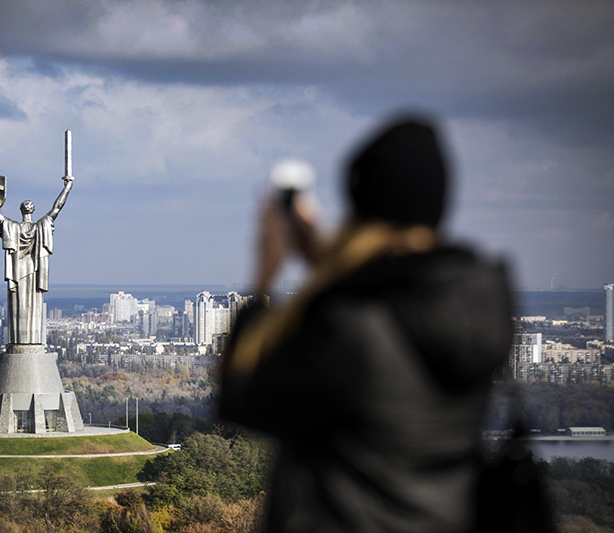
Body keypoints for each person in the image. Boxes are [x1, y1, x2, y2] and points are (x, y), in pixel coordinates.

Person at [220, 117, 513, 532]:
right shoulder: (481, 305)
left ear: (360, 203)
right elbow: (402, 294)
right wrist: (325, 263)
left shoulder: (353, 327)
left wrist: (265, 274)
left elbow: (242, 397)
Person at [0, 176, 73, 345]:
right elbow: (57, 208)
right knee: (33, 306)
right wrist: (67, 187)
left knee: (18, 307)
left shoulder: (13, 227)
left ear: (21, 210)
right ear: (32, 210)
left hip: (17, 273)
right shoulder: (41, 226)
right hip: (34, 271)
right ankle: (30, 342)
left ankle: (20, 342)